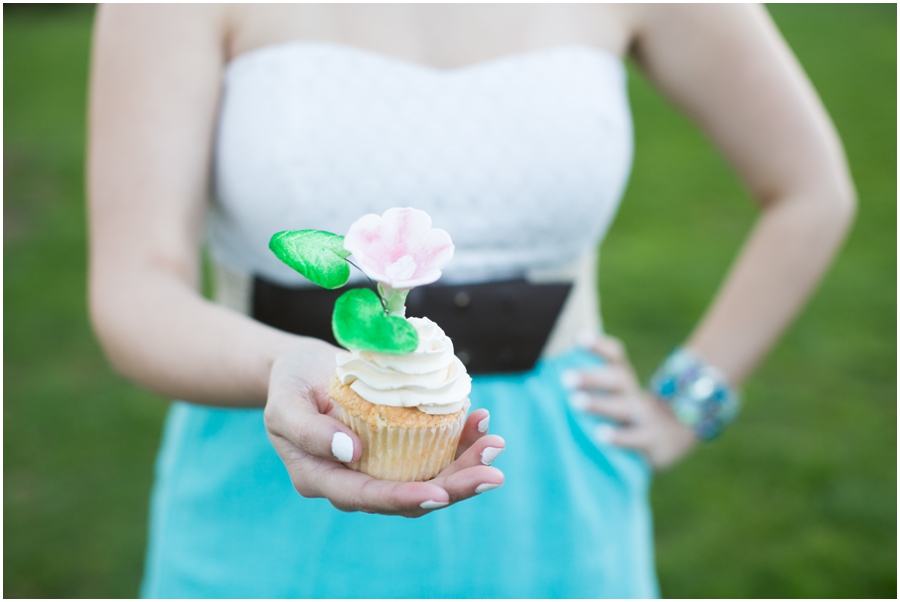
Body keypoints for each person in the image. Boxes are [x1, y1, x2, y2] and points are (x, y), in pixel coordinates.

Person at [87, 4, 855, 598]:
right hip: (278, 458)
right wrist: (282, 364)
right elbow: (134, 285)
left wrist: (688, 404)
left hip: (552, 492)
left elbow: (812, 191)